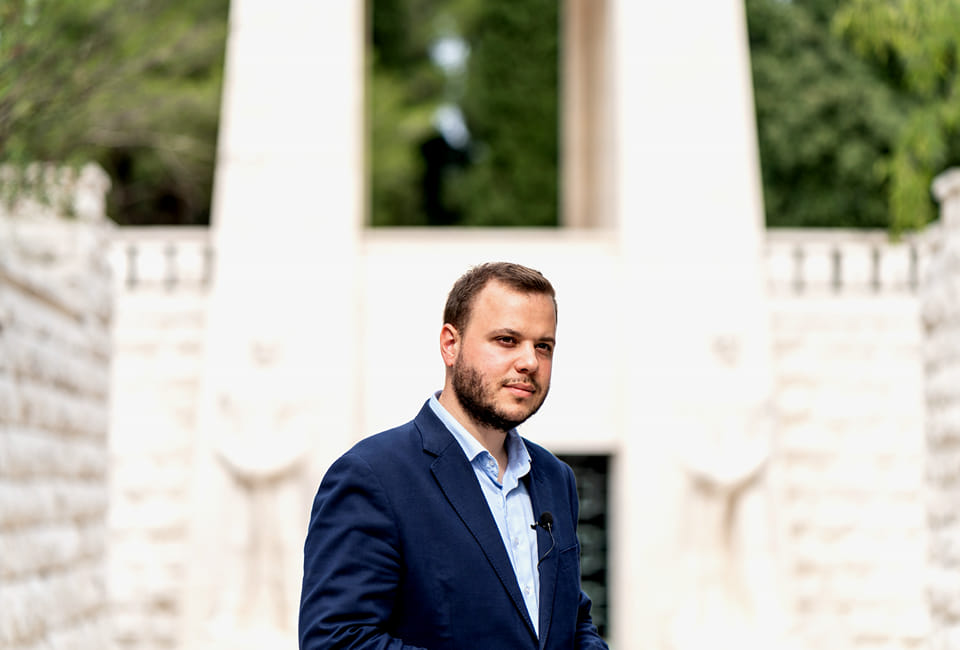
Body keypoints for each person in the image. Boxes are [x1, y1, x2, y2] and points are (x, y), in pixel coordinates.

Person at [299, 262, 609, 650]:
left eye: (543, 346)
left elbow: (572, 621)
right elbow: (337, 640)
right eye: (507, 340)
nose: (530, 362)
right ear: (450, 344)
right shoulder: (372, 476)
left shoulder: (554, 477)